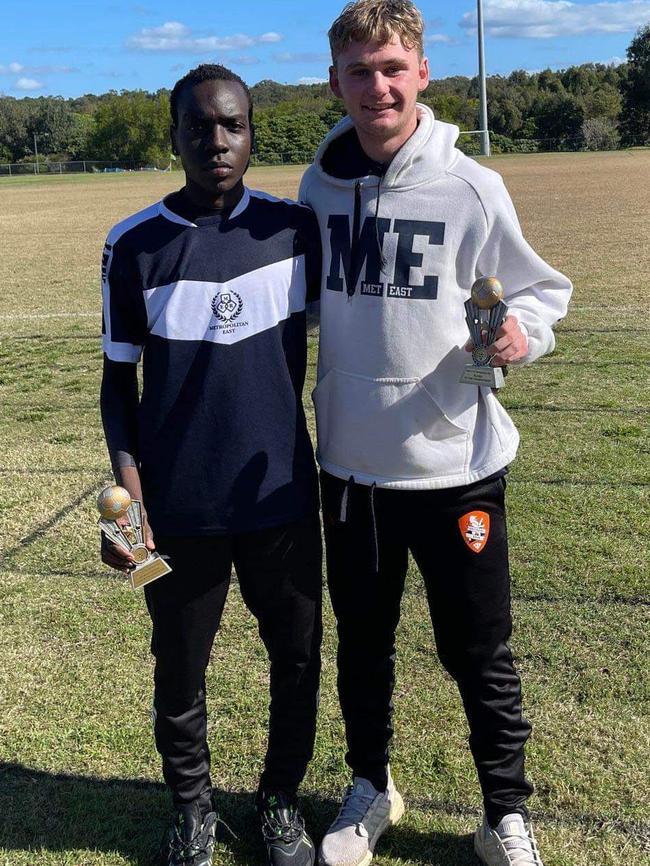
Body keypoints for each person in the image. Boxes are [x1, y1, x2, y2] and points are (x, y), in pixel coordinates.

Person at [298, 3, 572, 866]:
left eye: (392, 68)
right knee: (363, 645)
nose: (376, 86)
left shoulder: (471, 186)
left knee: (478, 651)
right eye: (358, 71)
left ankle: (504, 814)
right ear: (334, 82)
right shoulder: (315, 187)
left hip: (456, 466)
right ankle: (370, 787)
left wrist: (523, 334)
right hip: (350, 467)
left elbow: (539, 292)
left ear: (421, 73)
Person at [100, 63, 322, 866]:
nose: (218, 141)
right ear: (176, 138)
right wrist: (129, 495)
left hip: (281, 495)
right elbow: (116, 384)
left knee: (297, 659)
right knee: (180, 665)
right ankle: (192, 810)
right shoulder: (134, 246)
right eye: (200, 127)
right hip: (179, 507)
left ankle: (280, 802)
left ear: (253, 133)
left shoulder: (296, 231)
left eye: (232, 125)